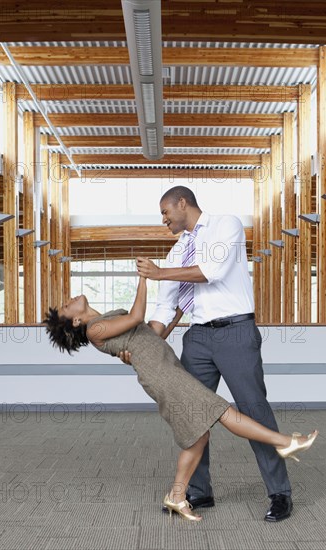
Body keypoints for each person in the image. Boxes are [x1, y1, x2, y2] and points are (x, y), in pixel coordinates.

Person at [44, 278, 318, 522]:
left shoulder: (103, 321)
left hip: (167, 370)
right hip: (164, 377)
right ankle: (285, 443)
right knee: (221, 411)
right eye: (66, 307)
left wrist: (175, 315)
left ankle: (177, 495)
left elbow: (150, 334)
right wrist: (143, 278)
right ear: (76, 321)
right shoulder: (95, 329)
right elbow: (138, 316)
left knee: (197, 437)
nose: (69, 301)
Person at [129, 185, 294, 522]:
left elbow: (211, 271)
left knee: (253, 410)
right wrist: (138, 345)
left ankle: (280, 493)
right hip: (198, 337)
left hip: (235, 331)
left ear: (182, 203)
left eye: (165, 212)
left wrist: (158, 272)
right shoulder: (176, 252)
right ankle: (199, 491)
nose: (164, 220)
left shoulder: (225, 225)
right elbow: (165, 307)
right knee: (192, 414)